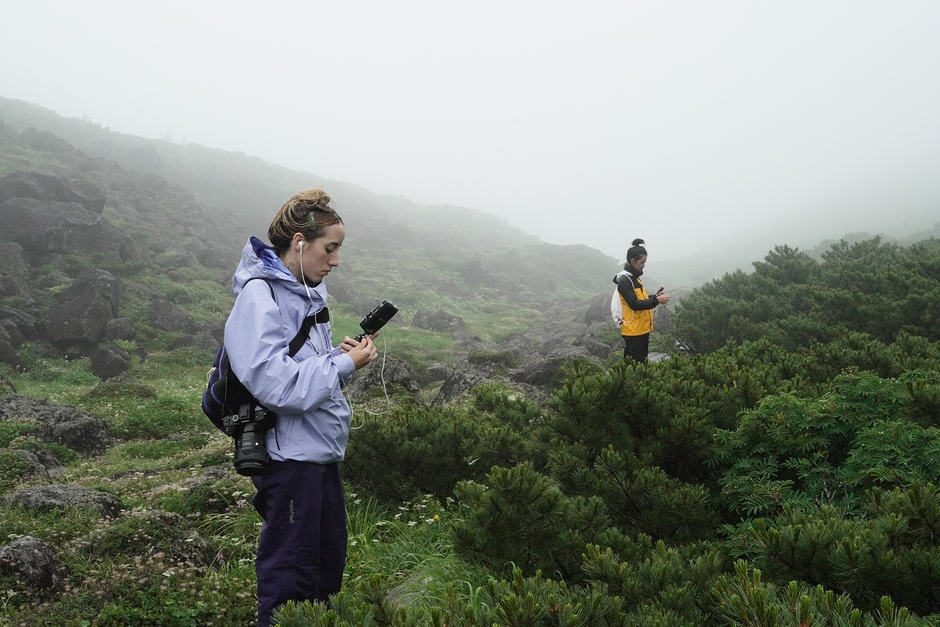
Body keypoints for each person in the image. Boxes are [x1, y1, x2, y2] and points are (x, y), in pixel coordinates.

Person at [223, 188, 378, 627]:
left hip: (318, 453)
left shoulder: (306, 295)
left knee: (325, 570)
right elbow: (279, 386)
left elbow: (304, 371)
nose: (335, 261)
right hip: (289, 459)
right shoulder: (260, 296)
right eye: (330, 249)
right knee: (290, 579)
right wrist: (344, 364)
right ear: (299, 241)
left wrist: (339, 359)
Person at [614, 238, 669, 363]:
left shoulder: (635, 278)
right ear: (632, 261)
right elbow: (634, 304)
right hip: (634, 331)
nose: (644, 265)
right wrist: (656, 301)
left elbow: (641, 298)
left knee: (641, 363)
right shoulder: (625, 281)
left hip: (642, 329)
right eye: (642, 262)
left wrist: (654, 297)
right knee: (634, 365)